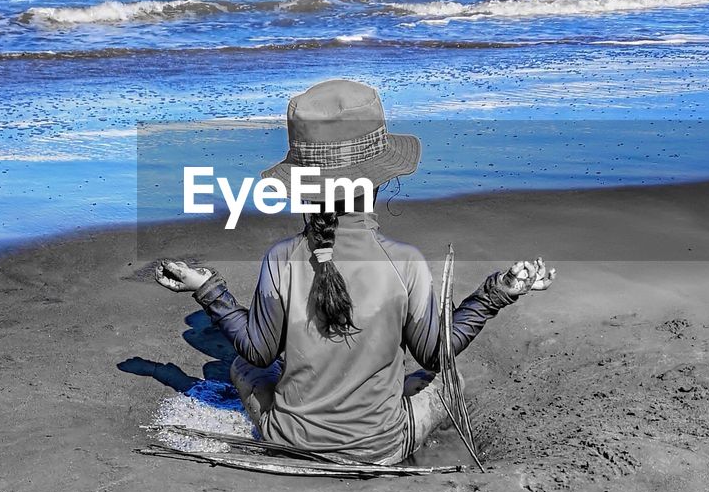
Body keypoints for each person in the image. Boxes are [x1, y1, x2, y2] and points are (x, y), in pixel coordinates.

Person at [156, 79, 555, 465]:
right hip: (381, 448)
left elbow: (257, 352)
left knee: (240, 367)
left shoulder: (281, 259)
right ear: (380, 179)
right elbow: (437, 355)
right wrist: (495, 293)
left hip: (289, 441)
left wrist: (207, 288)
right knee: (449, 382)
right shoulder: (406, 263)